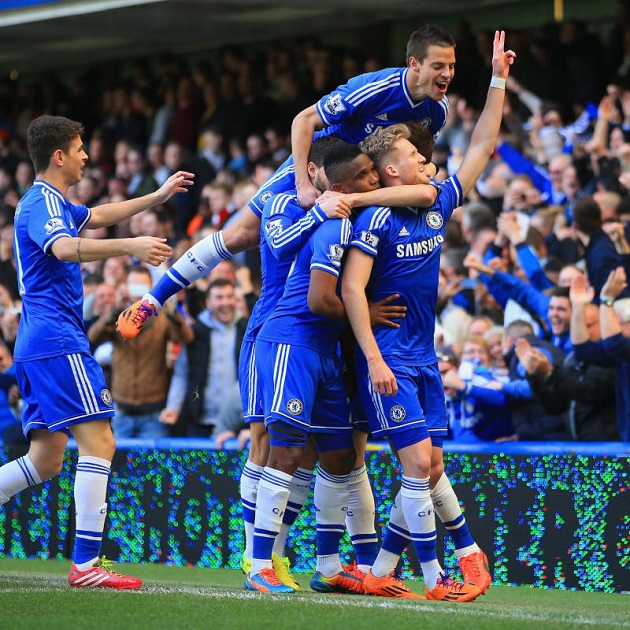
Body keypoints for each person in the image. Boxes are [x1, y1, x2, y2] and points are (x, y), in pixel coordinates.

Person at [116, 23, 457, 340]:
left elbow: (421, 160)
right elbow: (303, 120)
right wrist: (305, 184)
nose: (447, 75)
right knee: (241, 234)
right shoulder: (374, 88)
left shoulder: (437, 111)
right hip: (319, 164)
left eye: (452, 66)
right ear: (414, 64)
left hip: (363, 184)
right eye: (439, 66)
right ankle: (152, 301)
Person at [341, 31, 515, 601]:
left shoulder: (436, 202)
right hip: (389, 356)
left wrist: (497, 79)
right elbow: (350, 291)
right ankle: (443, 574)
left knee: (431, 465)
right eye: (416, 157)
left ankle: (383, 569)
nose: (427, 161)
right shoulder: (373, 224)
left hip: (423, 354)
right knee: (417, 464)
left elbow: (483, 146)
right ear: (391, 172)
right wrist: (372, 359)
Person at [0, 115, 193, 589]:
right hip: (57, 341)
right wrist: (132, 246)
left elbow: (101, 214)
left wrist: (157, 197)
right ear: (59, 155)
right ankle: (86, 565)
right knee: (101, 442)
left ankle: (86, 563)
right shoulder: (41, 203)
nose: (88, 155)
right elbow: (65, 249)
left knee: (46, 460)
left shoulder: (55, 202)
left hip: (39, 342)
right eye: (81, 147)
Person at [244, 141, 386, 595]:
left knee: (340, 456)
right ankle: (260, 564)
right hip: (292, 342)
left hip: (323, 352)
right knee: (283, 452)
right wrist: (367, 313)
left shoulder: (351, 223)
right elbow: (320, 300)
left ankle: (328, 565)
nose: (375, 179)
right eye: (366, 175)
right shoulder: (333, 226)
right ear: (340, 187)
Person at [90, 264, 193, 439]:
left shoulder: (163, 317)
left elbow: (186, 338)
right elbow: (93, 338)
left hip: (154, 412)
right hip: (121, 410)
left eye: (143, 287)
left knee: (152, 464)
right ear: (126, 287)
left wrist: (168, 307)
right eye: (134, 287)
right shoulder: (118, 315)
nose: (138, 293)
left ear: (152, 288)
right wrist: (116, 309)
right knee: (119, 463)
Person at [160, 278, 247, 437]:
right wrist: (173, 407)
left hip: (237, 423)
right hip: (199, 419)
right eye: (219, 298)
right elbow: (182, 373)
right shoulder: (197, 332)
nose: (225, 302)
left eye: (229, 297)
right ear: (208, 302)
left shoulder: (246, 330)